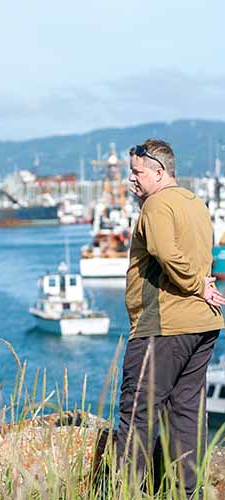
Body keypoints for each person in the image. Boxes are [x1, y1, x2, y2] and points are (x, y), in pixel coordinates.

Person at [117, 139, 225, 498]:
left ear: (159, 172)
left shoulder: (157, 205)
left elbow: (163, 251)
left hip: (164, 326)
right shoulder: (194, 202)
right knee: (186, 414)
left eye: (137, 172)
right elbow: (194, 250)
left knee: (137, 414)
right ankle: (186, 493)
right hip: (202, 325)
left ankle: (128, 492)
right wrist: (202, 287)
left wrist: (197, 285)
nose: (131, 178)